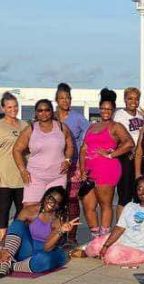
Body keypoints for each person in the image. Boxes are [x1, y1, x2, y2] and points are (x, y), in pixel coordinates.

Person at [80, 88, 134, 237]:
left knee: (105, 204)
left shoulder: (116, 126)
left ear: (113, 110)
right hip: (89, 172)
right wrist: (82, 169)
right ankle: (95, 237)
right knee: (88, 205)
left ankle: (104, 238)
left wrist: (112, 155)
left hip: (107, 170)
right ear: (99, 109)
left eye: (109, 109)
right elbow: (84, 148)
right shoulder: (92, 126)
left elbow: (129, 143)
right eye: (103, 108)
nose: (105, 111)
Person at [0, 186, 76, 278]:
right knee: (17, 224)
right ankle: (7, 260)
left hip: (45, 252)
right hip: (26, 250)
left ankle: (8, 265)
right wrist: (2, 249)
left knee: (44, 260)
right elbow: (14, 230)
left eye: (57, 203)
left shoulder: (58, 220)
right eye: (51, 198)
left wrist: (61, 230)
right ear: (46, 196)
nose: (52, 204)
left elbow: (47, 248)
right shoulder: (30, 210)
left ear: (60, 206)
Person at [85, 177, 144, 266]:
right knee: (92, 247)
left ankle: (111, 252)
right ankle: (106, 250)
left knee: (111, 255)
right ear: (136, 192)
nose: (143, 192)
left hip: (142, 249)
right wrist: (106, 245)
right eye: (139, 189)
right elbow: (119, 228)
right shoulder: (130, 206)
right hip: (123, 241)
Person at [12, 99, 73, 215]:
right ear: (36, 113)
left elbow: (70, 146)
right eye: (40, 110)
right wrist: (22, 170)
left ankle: (51, 233)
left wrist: (67, 160)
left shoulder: (61, 127)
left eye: (47, 110)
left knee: (54, 211)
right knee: (30, 210)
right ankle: (31, 233)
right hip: (35, 177)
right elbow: (16, 149)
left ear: (52, 112)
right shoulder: (31, 129)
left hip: (57, 177)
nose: (43, 113)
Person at [0, 92, 29, 243]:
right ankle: (3, 243)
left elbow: (29, 150)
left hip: (22, 177)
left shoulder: (25, 125)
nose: (13, 109)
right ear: (3, 108)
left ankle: (16, 240)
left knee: (22, 211)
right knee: (3, 210)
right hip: (4, 177)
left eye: (15, 106)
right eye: (9, 107)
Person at [54, 83, 90, 244]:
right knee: (56, 200)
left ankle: (71, 237)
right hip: (53, 165)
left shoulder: (77, 118)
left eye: (68, 98)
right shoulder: (51, 116)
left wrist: (81, 146)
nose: (65, 101)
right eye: (62, 98)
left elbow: (90, 131)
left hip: (73, 165)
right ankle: (57, 234)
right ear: (56, 100)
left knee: (72, 200)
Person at [114, 87, 144, 219]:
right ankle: (120, 230)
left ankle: (137, 226)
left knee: (140, 193)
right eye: (130, 98)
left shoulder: (141, 115)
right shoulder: (120, 115)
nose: (133, 101)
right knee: (125, 195)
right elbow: (120, 137)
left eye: (136, 99)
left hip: (141, 157)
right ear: (124, 99)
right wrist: (130, 150)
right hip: (127, 157)